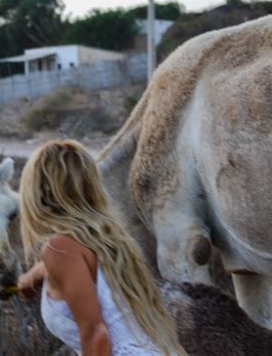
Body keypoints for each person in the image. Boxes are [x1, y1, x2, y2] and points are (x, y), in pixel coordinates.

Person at [17, 139, 185, 356]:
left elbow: (98, 337)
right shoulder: (108, 240)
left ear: (36, 192)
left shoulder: (61, 249)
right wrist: (33, 276)